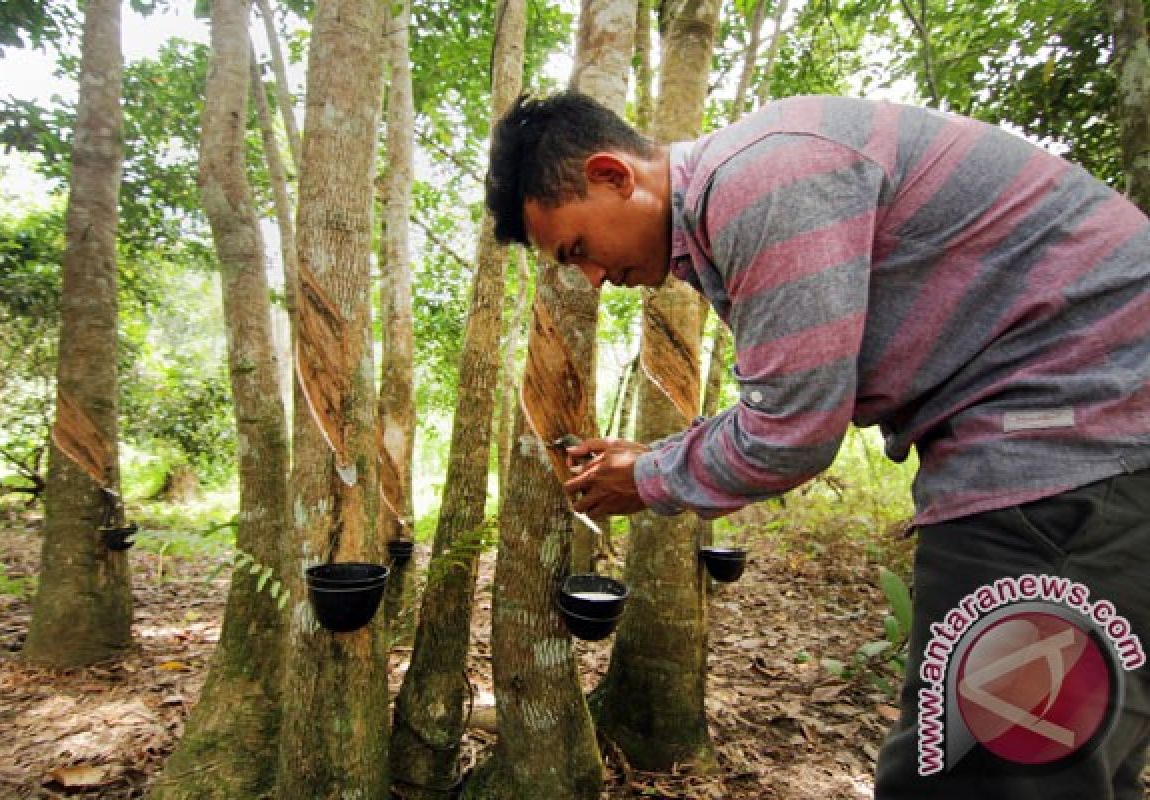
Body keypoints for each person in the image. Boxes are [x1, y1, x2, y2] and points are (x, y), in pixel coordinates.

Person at [485, 90, 1150, 799]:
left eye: (579, 249)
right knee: (1069, 762)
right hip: (1096, 441)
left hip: (1065, 444)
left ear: (614, 175)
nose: (591, 279)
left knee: (978, 773)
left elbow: (791, 434)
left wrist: (646, 477)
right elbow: (787, 399)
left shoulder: (759, 183)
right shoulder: (751, 181)